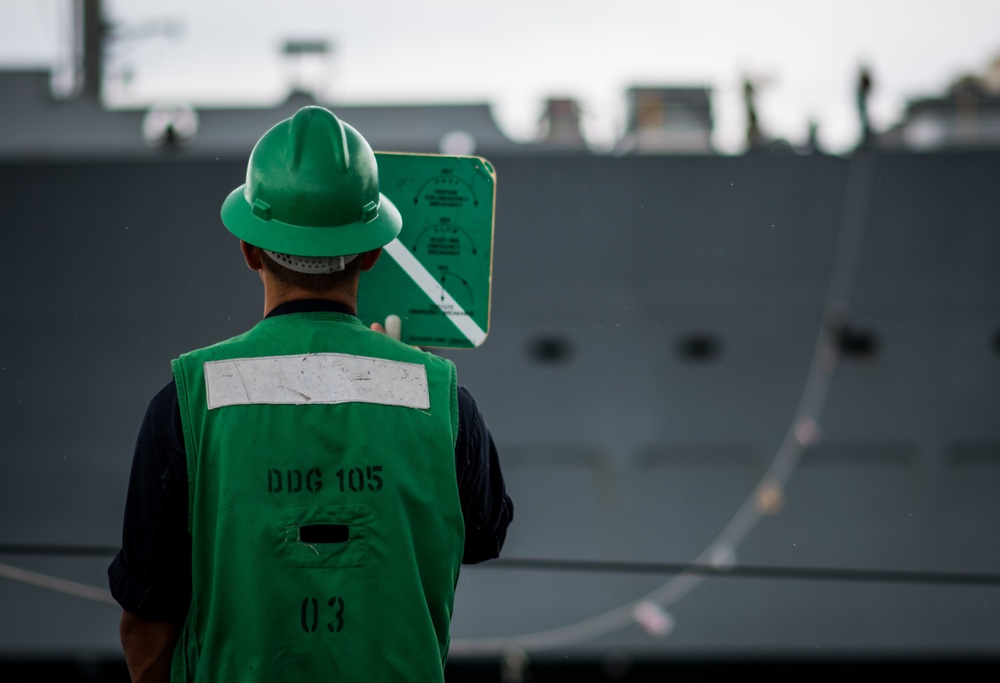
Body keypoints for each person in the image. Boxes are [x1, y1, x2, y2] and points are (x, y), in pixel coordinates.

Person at [108, 105, 513, 682]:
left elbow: (145, 624)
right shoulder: (443, 400)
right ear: (373, 253)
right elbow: (484, 533)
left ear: (249, 249)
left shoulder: (187, 401)